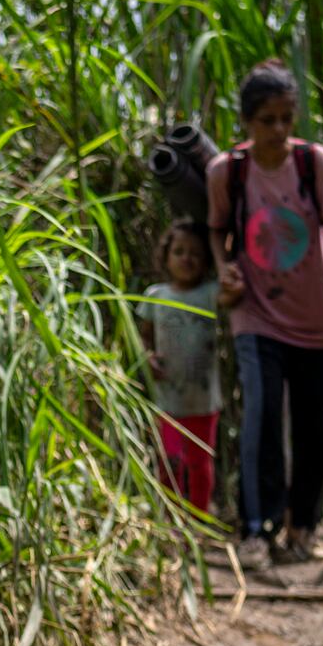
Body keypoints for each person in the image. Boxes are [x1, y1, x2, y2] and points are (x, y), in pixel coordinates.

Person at [205, 61, 323, 564]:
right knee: (261, 415)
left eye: (287, 118)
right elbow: (217, 229)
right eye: (268, 120)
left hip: (321, 320)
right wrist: (224, 268)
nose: (279, 130)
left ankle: (302, 527)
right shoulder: (228, 172)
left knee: (315, 426)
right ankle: (256, 529)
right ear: (246, 121)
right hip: (257, 316)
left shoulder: (316, 164)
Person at [143, 218, 227, 521]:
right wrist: (147, 358)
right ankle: (171, 519)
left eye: (195, 252)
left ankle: (199, 519)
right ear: (165, 257)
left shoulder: (210, 293)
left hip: (203, 402)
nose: (186, 258)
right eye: (179, 251)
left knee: (200, 462)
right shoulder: (155, 295)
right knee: (170, 461)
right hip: (168, 401)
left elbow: (233, 293)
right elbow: (142, 336)